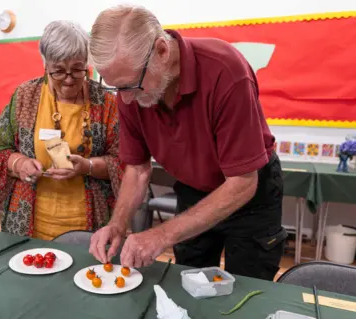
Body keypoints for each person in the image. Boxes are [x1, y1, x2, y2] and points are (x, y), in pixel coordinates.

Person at [87, 5, 287, 281]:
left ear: (161, 50)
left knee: (247, 287)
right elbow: (137, 168)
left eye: (130, 86)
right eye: (116, 87)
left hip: (249, 197)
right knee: (189, 280)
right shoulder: (130, 89)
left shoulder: (226, 71)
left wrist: (161, 235)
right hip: (194, 191)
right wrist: (118, 224)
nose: (127, 100)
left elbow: (242, 182)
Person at [0, 20, 123, 240]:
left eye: (78, 70)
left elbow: (125, 162)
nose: (68, 80)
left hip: (90, 227)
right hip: (28, 222)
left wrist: (87, 166)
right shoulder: (25, 97)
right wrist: (20, 164)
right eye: (58, 71)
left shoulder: (106, 103)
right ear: (45, 66)